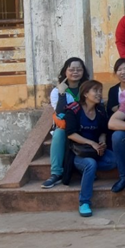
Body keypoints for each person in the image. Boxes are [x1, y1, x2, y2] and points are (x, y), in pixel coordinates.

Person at [64, 80, 115, 217]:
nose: (99, 94)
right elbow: (70, 133)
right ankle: (84, 202)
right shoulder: (74, 109)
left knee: (114, 160)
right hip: (78, 152)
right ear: (86, 93)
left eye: (100, 91)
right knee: (90, 164)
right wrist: (90, 143)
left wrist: (101, 142)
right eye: (95, 91)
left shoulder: (100, 110)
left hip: (95, 151)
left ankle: (88, 172)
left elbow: (103, 131)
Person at [41, 57, 90, 189]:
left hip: (86, 124)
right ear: (65, 72)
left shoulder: (88, 88)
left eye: (79, 69)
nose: (75, 72)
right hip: (67, 126)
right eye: (71, 69)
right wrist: (62, 94)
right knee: (58, 134)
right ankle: (56, 173)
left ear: (83, 72)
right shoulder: (57, 91)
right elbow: (60, 113)